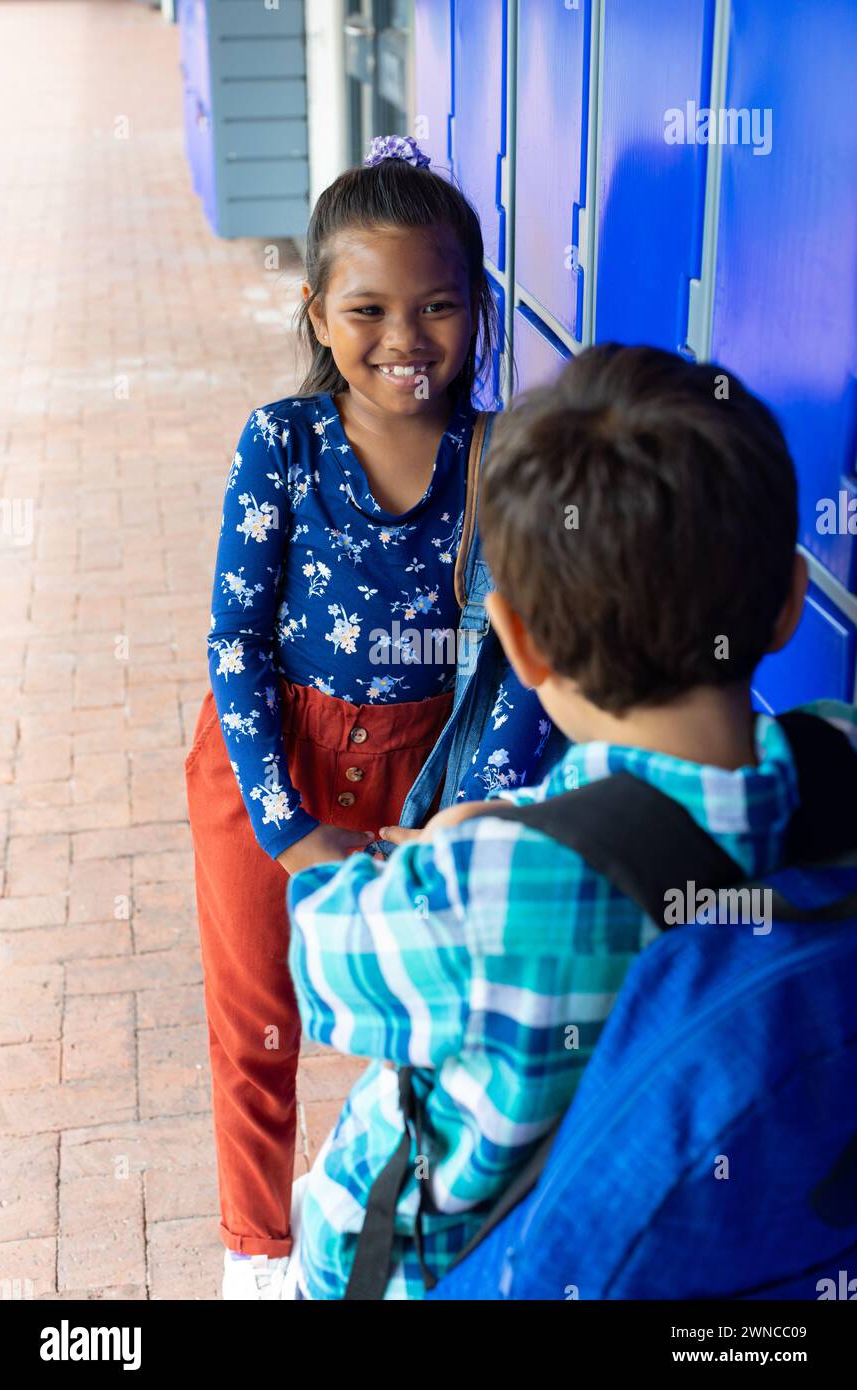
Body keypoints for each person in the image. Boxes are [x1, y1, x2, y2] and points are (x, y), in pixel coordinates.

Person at [283, 342, 856, 1300]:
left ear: (523, 647)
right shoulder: (838, 765)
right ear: (791, 602)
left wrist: (458, 848)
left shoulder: (488, 888)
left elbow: (320, 957)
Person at [184, 134, 554, 1300]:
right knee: (258, 1019)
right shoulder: (280, 445)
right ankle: (255, 1255)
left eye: (440, 305)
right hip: (266, 759)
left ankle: (377, 1231)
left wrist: (476, 811)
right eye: (370, 308)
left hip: (424, 770)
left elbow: (522, 664)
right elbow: (234, 640)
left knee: (414, 1021)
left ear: (478, 307)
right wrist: (288, 825)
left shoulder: (501, 457)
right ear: (315, 310)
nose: (407, 338)